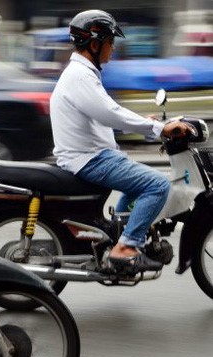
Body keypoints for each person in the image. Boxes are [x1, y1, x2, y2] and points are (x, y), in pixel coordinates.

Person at [50, 10, 195, 274]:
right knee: (158, 185)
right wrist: (160, 127)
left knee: (141, 183)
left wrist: (146, 123)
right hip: (90, 160)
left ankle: (117, 238)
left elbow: (103, 114)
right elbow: (110, 114)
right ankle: (126, 248)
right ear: (94, 44)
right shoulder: (80, 76)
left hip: (94, 155)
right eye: (110, 42)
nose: (113, 48)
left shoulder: (83, 74)